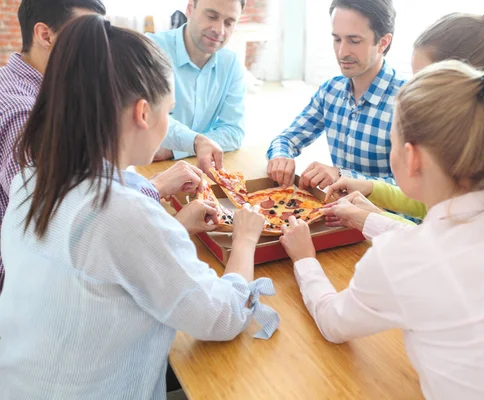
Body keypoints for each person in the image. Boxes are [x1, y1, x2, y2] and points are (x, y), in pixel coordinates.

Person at [279, 60, 484, 399]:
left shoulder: (404, 258)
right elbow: (443, 254)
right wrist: (366, 219)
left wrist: (304, 259)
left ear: (411, 157)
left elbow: (333, 322)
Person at [0, 16, 278, 399]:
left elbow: (102, 260)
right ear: (144, 112)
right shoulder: (122, 213)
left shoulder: (33, 176)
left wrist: (169, 221)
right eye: (169, 112)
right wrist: (245, 239)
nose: (169, 124)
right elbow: (222, 316)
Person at [0, 0, 204, 294]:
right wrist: (156, 193)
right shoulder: (23, 112)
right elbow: (63, 220)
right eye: (88, 36)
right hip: (26, 288)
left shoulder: (43, 88)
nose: (101, 51)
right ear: (45, 35)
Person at [326, 10, 484, 224]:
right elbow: (437, 202)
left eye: (424, 80)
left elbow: (451, 245)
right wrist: (373, 189)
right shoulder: (467, 130)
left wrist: (373, 218)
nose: (417, 91)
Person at [266, 0, 404, 189]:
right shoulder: (331, 90)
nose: (342, 52)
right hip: (339, 212)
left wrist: (342, 176)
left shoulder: (408, 103)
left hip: (384, 216)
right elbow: (287, 139)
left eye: (354, 41)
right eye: (337, 39)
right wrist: (280, 156)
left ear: (383, 43)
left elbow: (416, 192)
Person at [149, 0, 247, 173]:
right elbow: (151, 122)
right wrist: (197, 144)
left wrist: (176, 149)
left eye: (229, 22)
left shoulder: (231, 63)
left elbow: (234, 132)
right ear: (189, 9)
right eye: (211, 16)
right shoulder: (152, 50)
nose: (219, 30)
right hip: (148, 170)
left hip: (197, 170)